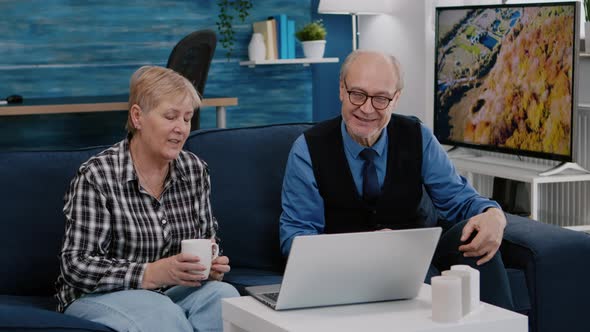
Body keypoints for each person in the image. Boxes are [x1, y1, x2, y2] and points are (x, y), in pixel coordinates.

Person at [279, 50, 514, 310]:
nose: (367, 109)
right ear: (341, 91)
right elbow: (296, 237)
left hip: (416, 257)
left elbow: (459, 200)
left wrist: (493, 214)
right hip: (348, 270)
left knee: (475, 234)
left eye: (381, 98)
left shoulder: (417, 136)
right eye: (357, 94)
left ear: (396, 99)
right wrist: (362, 250)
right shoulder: (308, 149)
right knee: (412, 280)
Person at [55, 66, 239, 332]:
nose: (181, 129)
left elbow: (207, 239)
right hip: (97, 296)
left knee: (226, 299)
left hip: (172, 291)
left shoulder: (195, 170)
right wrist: (150, 273)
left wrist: (210, 265)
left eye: (187, 119)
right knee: (163, 314)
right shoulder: (98, 175)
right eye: (170, 116)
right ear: (138, 117)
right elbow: (76, 265)